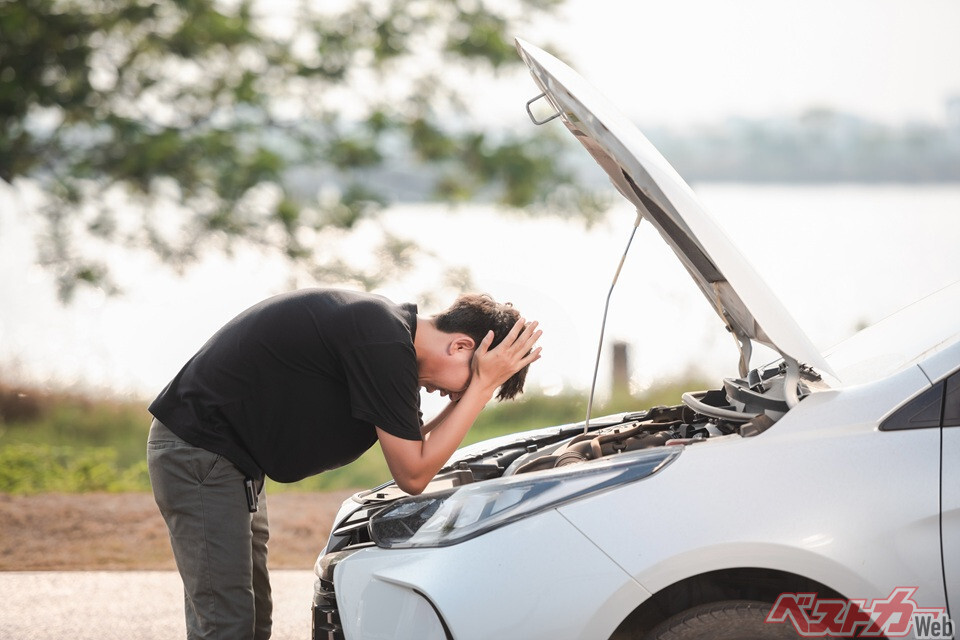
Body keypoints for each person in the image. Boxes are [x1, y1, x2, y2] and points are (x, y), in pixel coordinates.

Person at [146, 288, 542, 640]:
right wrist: (478, 392)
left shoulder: (387, 335)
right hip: (200, 454)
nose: (448, 394)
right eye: (469, 381)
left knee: (252, 623)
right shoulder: (381, 340)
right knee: (226, 626)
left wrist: (471, 393)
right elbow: (413, 474)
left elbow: (413, 444)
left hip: (228, 462)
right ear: (459, 346)